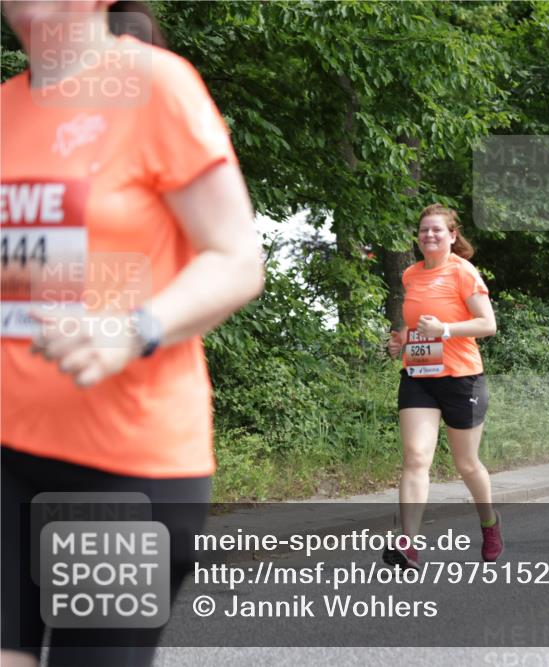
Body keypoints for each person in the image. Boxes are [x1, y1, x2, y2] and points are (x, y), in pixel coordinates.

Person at [1, 2, 263, 666]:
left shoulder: (158, 86)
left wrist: (130, 328)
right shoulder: (5, 109)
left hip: (124, 467)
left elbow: (237, 260)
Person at [384, 204, 502, 568]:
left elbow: (487, 325)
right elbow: (419, 323)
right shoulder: (411, 275)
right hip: (419, 377)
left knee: (466, 464)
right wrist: (402, 340)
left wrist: (445, 331)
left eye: (437, 230)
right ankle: (409, 543)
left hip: (460, 377)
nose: (429, 236)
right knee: (416, 458)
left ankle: (490, 524)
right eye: (423, 230)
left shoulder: (464, 273)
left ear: (452, 235)